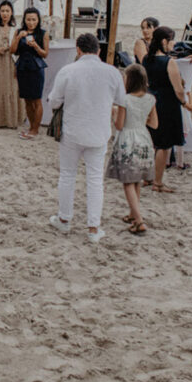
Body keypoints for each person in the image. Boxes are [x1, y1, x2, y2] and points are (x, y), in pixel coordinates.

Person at [47, 33, 127, 244]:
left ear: (78, 49)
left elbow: (54, 101)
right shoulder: (112, 72)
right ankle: (93, 227)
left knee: (67, 175)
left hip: (72, 129)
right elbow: (121, 100)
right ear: (98, 50)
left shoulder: (68, 71)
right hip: (99, 131)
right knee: (94, 180)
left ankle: (64, 219)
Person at [106, 64, 158, 235]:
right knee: (137, 180)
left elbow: (120, 125)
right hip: (143, 139)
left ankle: (139, 220)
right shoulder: (151, 99)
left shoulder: (125, 100)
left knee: (128, 181)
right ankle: (132, 214)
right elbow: (154, 124)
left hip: (128, 141)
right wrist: (140, 120)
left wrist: (115, 115)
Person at [144, 26, 192, 193]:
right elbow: (178, 88)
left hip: (152, 101)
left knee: (154, 142)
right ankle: (157, 181)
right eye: (172, 40)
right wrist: (184, 102)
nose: (173, 44)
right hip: (167, 103)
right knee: (164, 146)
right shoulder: (168, 62)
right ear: (164, 41)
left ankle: (148, 177)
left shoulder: (146, 59)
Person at [12, 7, 49, 139]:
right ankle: (31, 127)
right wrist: (17, 38)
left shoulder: (43, 33)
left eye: (33, 19)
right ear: (24, 19)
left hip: (37, 67)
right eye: (28, 19)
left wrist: (35, 46)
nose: (31, 22)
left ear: (38, 20)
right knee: (27, 99)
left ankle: (35, 129)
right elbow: (13, 50)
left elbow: (45, 54)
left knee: (37, 100)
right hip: (22, 67)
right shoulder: (19, 32)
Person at [0, 1, 20, 129]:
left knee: (12, 87)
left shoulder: (15, 28)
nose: (5, 14)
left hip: (11, 60)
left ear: (11, 12)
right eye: (3, 11)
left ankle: (12, 119)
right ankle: (0, 119)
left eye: (7, 11)